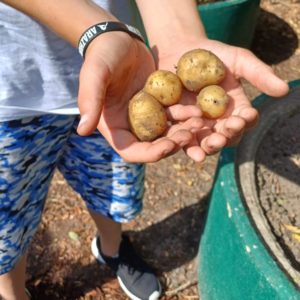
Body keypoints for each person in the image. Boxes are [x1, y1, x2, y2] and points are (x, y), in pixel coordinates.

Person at [0, 0, 289, 300]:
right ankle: (11, 292)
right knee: (8, 220)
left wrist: (177, 31)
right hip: (13, 95)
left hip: (122, 82)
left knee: (112, 188)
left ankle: (112, 248)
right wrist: (95, 31)